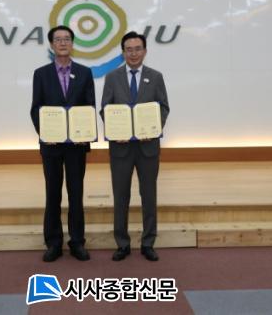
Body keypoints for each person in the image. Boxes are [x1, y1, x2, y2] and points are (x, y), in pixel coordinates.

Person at [100, 31, 169, 262]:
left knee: (149, 196)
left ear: (145, 51)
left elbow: (164, 107)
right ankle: (122, 244)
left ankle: (148, 243)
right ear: (123, 52)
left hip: (148, 148)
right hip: (120, 149)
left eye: (138, 49)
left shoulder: (155, 77)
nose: (133, 53)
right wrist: (114, 130)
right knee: (121, 197)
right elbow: (105, 109)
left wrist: (154, 128)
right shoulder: (112, 77)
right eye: (129, 49)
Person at [30, 25, 95, 262]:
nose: (63, 42)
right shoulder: (41, 74)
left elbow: (89, 107)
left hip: (76, 146)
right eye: (58, 39)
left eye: (67, 38)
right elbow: (36, 109)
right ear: (51, 45)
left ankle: (77, 242)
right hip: (52, 146)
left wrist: (84, 133)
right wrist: (47, 133)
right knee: (53, 194)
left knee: (76, 195)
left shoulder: (85, 73)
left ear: (72, 43)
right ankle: (53, 243)